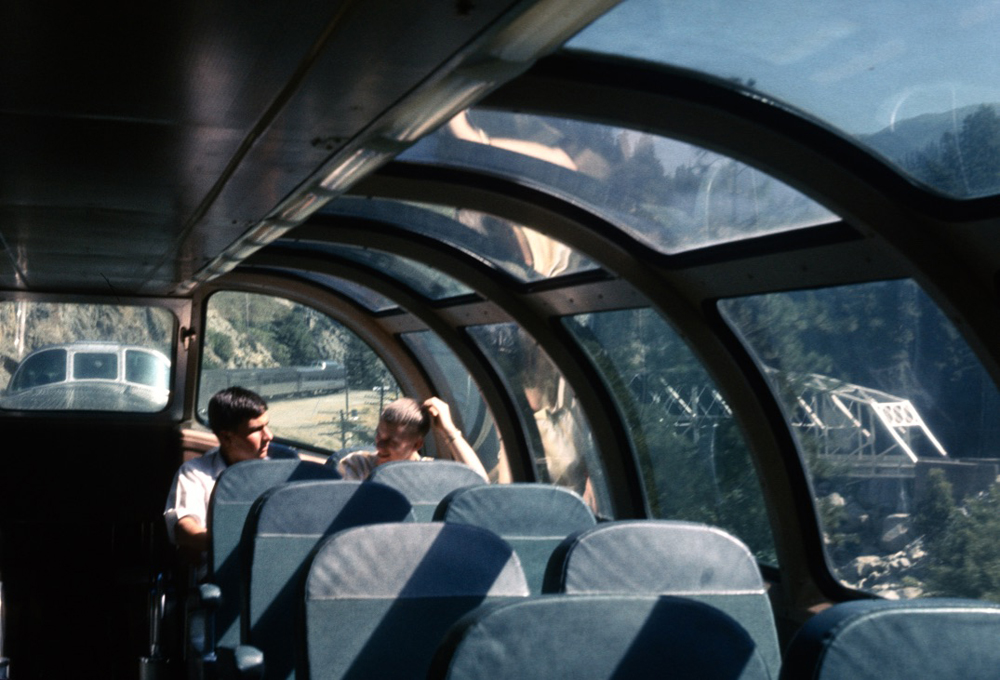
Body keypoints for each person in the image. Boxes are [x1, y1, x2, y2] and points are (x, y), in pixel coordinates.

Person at [163, 386, 273, 562]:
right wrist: (240, 543)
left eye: (267, 426)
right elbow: (185, 529)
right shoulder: (195, 474)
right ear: (227, 437)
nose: (269, 436)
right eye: (256, 430)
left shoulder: (276, 472)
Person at [337, 396, 488, 482]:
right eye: (378, 435)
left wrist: (449, 430)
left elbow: (480, 483)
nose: (380, 446)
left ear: (417, 444)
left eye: (392, 442)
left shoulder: (432, 472)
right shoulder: (357, 464)